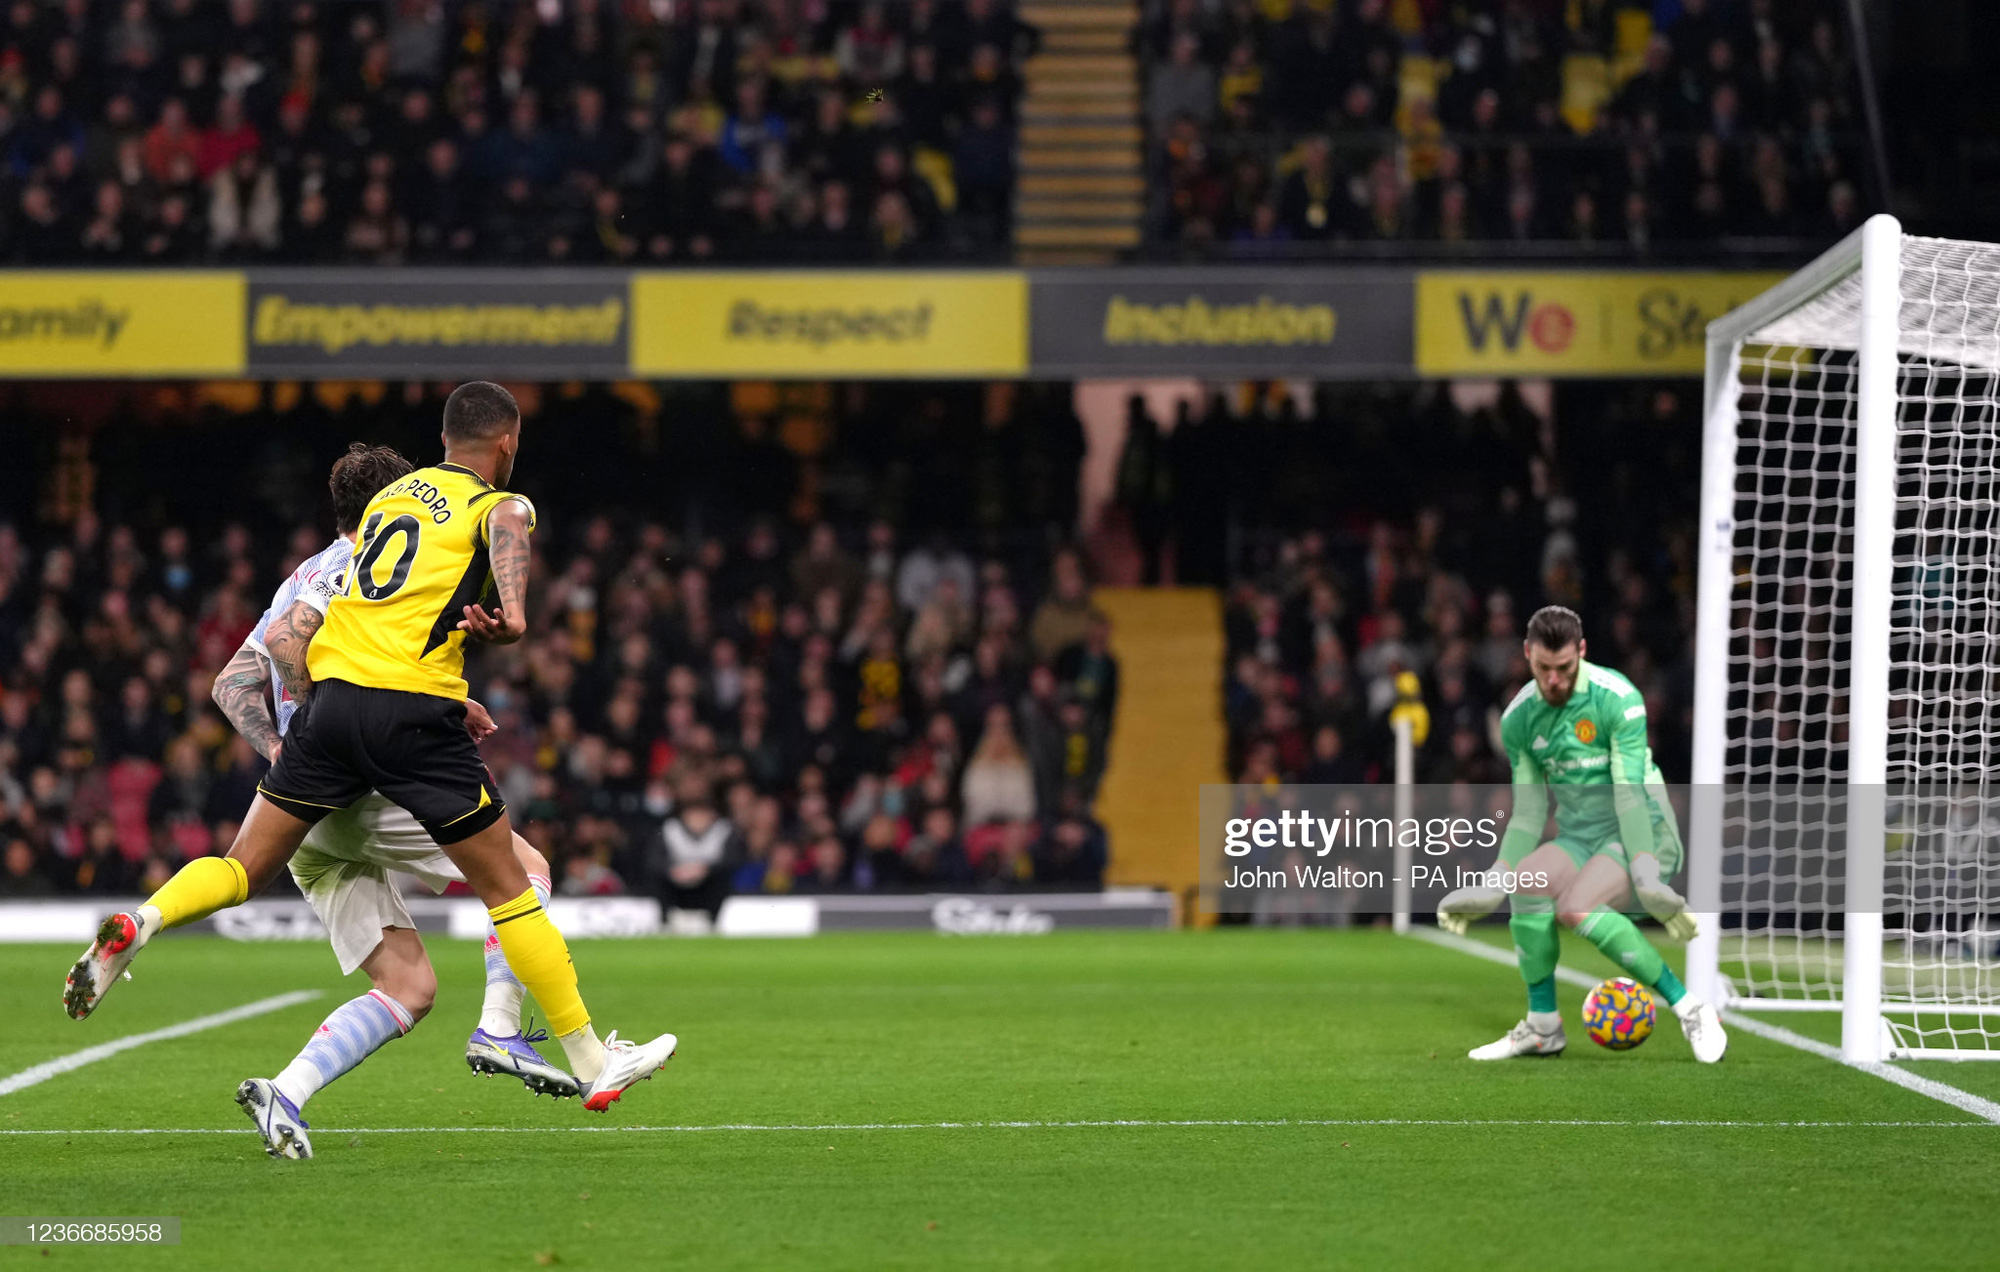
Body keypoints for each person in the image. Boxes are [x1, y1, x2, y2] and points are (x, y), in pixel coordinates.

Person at [65, 382, 678, 1158]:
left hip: (324, 735)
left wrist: (292, 747)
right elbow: (508, 533)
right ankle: (559, 1049)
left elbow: (249, 672)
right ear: (509, 443)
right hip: (394, 744)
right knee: (518, 879)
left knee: (286, 900)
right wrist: (510, 624)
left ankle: (151, 928)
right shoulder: (494, 503)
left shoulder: (362, 533)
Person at [201, 442, 583, 1144]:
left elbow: (229, 682)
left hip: (306, 801)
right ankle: (500, 1028)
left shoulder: (300, 574)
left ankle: (284, 1092)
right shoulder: (361, 568)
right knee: (525, 874)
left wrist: (289, 752)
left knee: (409, 988)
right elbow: (335, 661)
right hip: (366, 779)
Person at [1436, 606, 1726, 1063]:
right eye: (1543, 669)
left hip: (1644, 828)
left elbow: (1629, 794)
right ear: (1528, 655)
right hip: (1581, 834)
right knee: (1525, 882)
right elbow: (1529, 813)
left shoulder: (1617, 698)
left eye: (1565, 668)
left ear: (1582, 653)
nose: (1554, 680)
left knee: (1576, 905)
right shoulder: (1519, 719)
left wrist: (1647, 877)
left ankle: (1691, 1008)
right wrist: (1493, 880)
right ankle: (1543, 1027)